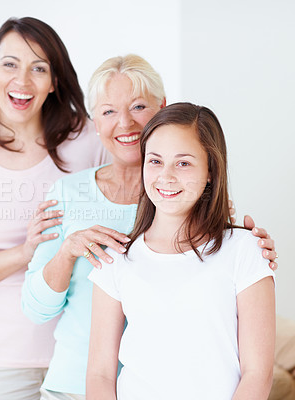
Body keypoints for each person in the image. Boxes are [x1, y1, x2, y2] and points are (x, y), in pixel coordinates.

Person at [21, 55, 277, 400]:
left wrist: (248, 242)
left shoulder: (198, 208)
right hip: (77, 380)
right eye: (109, 110)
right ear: (95, 120)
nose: (124, 122)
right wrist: (68, 250)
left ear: (161, 108)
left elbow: (255, 367)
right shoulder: (73, 200)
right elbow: (39, 311)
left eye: (138, 106)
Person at [0, 17, 109, 400]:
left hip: (86, 354)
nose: (23, 81)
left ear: (55, 81)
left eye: (39, 68)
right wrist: (26, 252)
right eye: (11, 64)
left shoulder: (91, 140)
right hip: (1, 360)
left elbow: (153, 192)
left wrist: (221, 222)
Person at [86, 103, 276, 400]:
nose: (167, 176)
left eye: (184, 163)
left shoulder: (245, 251)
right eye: (155, 161)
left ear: (211, 170)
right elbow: (100, 374)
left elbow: (258, 374)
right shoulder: (116, 258)